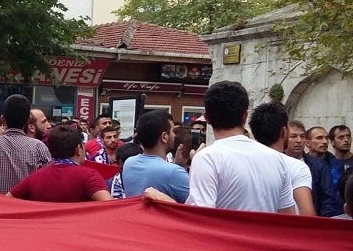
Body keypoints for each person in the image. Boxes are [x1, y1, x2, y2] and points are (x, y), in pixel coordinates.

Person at [184, 81, 295, 213]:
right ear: (245, 116)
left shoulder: (206, 158)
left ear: (207, 118)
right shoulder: (278, 160)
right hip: (266, 234)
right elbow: (288, 217)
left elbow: (201, 217)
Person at [0, 94, 50, 194]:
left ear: (3, 119)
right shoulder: (39, 148)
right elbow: (47, 185)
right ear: (28, 119)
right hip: (26, 208)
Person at [6, 125, 110, 202]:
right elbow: (109, 206)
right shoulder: (89, 175)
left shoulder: (34, 177)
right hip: (78, 230)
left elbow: (6, 201)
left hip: (43, 230)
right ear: (78, 149)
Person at [248, 103, 316, 216]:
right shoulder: (296, 167)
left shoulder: (240, 162)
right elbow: (307, 214)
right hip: (280, 231)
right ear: (284, 132)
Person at [121, 110, 190, 202]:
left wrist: (175, 164)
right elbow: (196, 209)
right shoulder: (175, 172)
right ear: (164, 137)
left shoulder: (129, 163)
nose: (174, 135)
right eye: (173, 131)